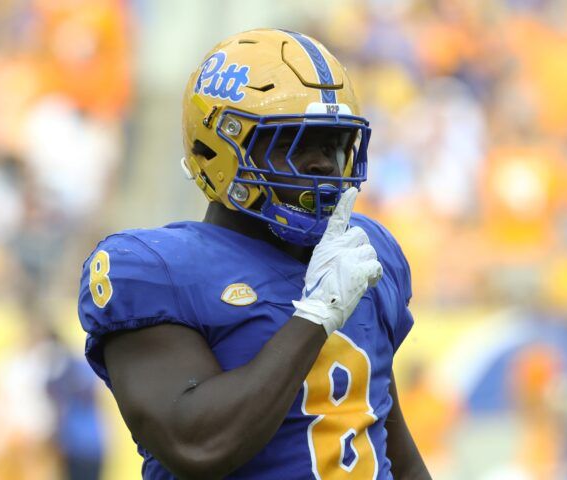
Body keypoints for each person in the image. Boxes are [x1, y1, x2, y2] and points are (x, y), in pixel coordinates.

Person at [78, 28, 430, 479]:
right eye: (290, 144)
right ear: (218, 147)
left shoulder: (362, 250)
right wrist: (315, 315)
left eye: (332, 143)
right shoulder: (154, 269)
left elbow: (386, 438)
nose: (322, 163)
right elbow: (198, 445)